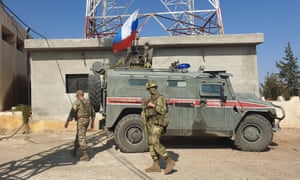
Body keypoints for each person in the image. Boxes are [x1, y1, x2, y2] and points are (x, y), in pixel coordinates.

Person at [142, 80, 175, 175]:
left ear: (156, 88)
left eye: (154, 88)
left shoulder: (161, 98)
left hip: (158, 123)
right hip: (150, 123)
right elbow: (148, 110)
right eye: (150, 88)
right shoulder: (150, 99)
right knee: (151, 144)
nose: (152, 90)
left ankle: (169, 161)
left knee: (155, 143)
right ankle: (156, 165)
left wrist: (153, 105)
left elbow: (163, 110)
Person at [65, 89, 95, 161]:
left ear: (78, 95)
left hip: (81, 121)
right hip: (87, 120)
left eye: (76, 96)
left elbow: (72, 111)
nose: (76, 97)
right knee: (79, 134)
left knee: (81, 136)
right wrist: (92, 123)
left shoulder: (77, 102)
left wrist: (67, 121)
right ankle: (74, 150)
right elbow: (93, 113)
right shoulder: (88, 101)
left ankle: (85, 155)